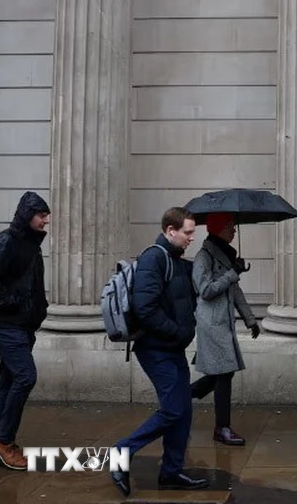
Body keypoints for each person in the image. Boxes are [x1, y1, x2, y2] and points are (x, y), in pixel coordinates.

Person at [110, 207, 208, 497]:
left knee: (184, 411)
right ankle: (121, 452)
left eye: (193, 232)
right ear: (170, 231)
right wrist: (176, 332)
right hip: (155, 349)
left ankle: (171, 472)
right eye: (188, 232)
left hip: (171, 348)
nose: (192, 238)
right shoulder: (155, 258)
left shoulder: (177, 261)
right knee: (173, 409)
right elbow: (145, 308)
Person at [0, 192, 50, 470]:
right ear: (27, 214)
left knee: (9, 381)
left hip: (22, 324)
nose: (46, 220)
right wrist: (13, 303)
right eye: (41, 215)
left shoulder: (30, 244)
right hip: (5, 324)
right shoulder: (6, 241)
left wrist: (38, 309)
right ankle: (5, 442)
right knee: (25, 376)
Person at [190, 213, 260, 446]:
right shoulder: (204, 256)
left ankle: (186, 395)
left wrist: (250, 319)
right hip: (212, 323)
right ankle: (222, 427)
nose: (234, 231)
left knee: (223, 372)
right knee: (224, 374)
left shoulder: (225, 254)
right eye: (230, 227)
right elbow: (205, 290)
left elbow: (235, 291)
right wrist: (232, 274)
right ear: (218, 229)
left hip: (223, 322)